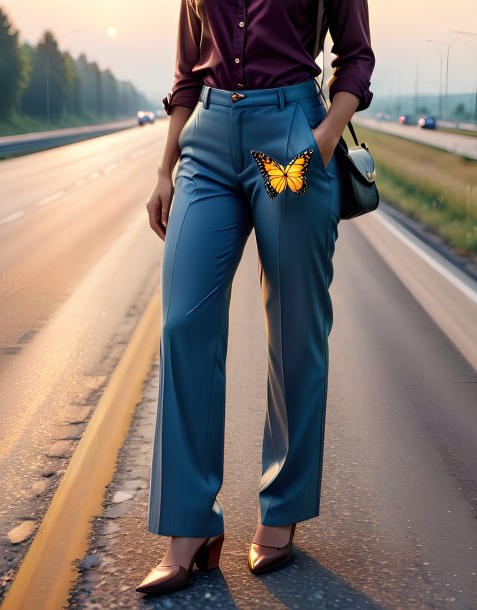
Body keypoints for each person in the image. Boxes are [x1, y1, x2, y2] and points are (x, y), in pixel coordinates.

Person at [137, 0, 375, 594]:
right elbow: (188, 73)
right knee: (183, 323)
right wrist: (166, 168)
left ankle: (281, 510)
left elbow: (356, 57)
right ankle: (188, 528)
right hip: (208, 141)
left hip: (292, 132)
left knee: (295, 329)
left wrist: (319, 144)